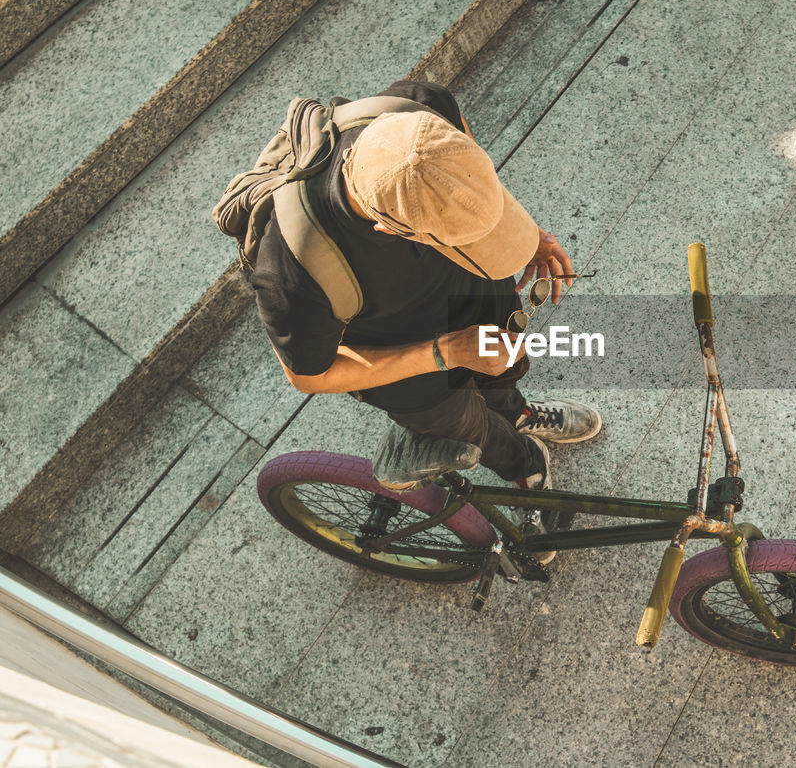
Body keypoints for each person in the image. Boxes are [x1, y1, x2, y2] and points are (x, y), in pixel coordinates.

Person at [249, 79, 601, 501]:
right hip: (414, 374)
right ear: (389, 229)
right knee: (477, 429)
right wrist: (449, 351)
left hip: (479, 299)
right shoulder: (293, 272)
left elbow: (467, 176)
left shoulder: (416, 111)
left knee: (503, 379)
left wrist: (525, 234)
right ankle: (523, 465)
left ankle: (519, 414)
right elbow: (308, 375)